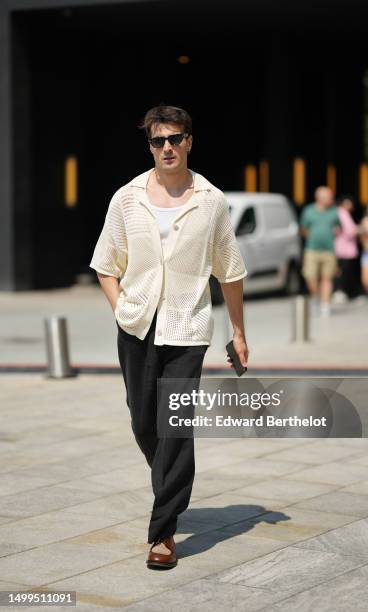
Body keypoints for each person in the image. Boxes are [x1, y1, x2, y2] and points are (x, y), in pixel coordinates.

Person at [89, 105, 249, 570]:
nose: (167, 148)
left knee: (174, 426)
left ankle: (163, 533)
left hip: (188, 328)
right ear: (150, 146)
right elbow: (105, 263)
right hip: (136, 328)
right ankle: (170, 481)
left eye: (175, 139)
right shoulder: (127, 198)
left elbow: (230, 272)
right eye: (158, 141)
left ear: (190, 142)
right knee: (144, 424)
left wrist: (238, 332)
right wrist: (121, 309)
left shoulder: (211, 200)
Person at [300, 186, 341, 316]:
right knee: (310, 277)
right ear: (320, 198)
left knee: (327, 278)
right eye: (329, 196)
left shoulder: (334, 211)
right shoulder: (309, 211)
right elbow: (303, 229)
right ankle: (317, 297)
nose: (332, 199)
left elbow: (339, 227)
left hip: (329, 250)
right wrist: (312, 236)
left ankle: (325, 304)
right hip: (312, 249)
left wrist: (337, 232)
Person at [333, 195, 360, 302]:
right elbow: (350, 231)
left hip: (343, 248)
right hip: (343, 249)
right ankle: (340, 291)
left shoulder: (342, 213)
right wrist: (358, 230)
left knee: (343, 271)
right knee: (342, 271)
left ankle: (342, 292)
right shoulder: (341, 212)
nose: (350, 205)